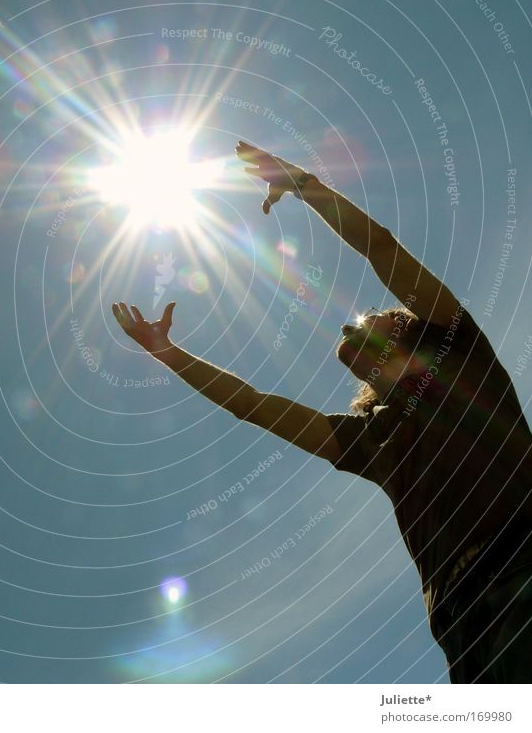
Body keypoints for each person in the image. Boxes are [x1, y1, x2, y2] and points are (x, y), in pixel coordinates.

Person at [111, 141, 532, 683]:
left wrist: (304, 185)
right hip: (458, 619)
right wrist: (167, 354)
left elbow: (379, 248)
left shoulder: (458, 350)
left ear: (402, 326)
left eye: (362, 319)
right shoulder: (373, 439)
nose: (344, 326)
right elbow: (252, 407)